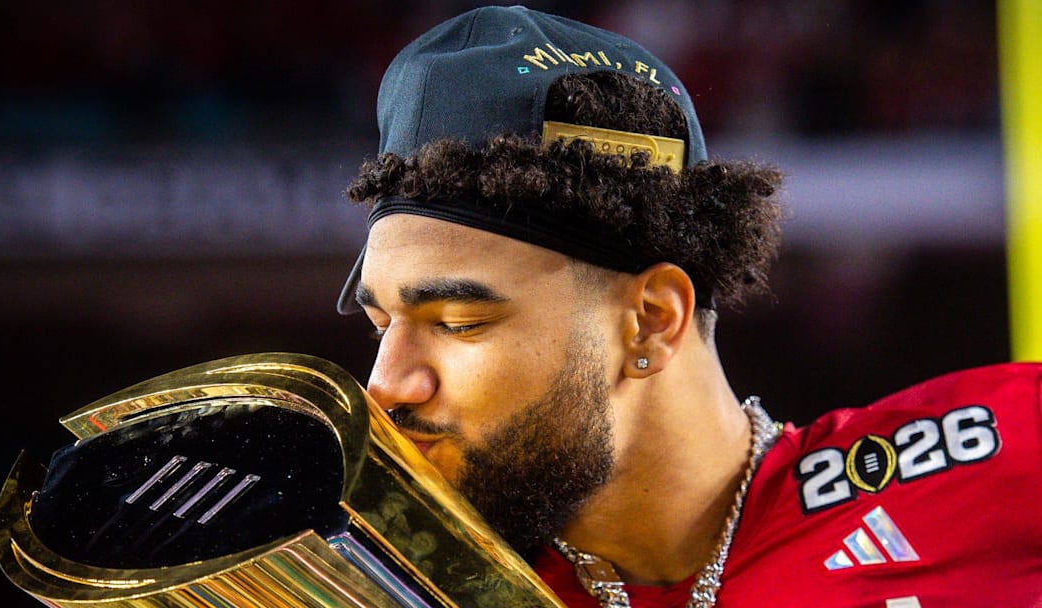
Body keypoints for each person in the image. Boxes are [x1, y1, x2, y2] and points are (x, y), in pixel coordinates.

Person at [335, 6, 1042, 607]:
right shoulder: (395, 584)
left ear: (652, 318)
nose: (386, 384)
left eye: (458, 323)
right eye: (381, 325)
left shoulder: (1007, 462)